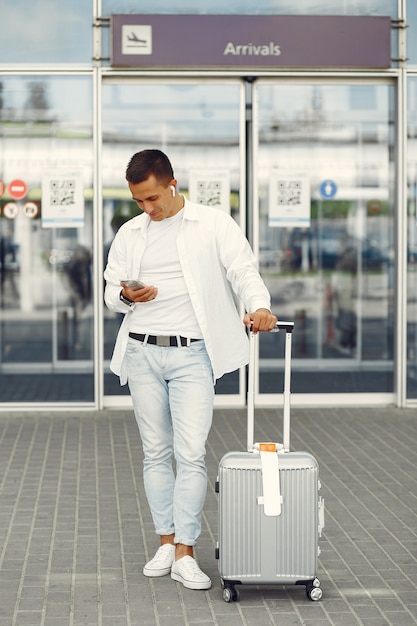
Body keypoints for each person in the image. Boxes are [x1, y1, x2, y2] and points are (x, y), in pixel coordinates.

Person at [104, 149, 277, 591]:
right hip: (142, 352)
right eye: (138, 200)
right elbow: (110, 290)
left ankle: (186, 551)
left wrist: (259, 306)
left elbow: (243, 271)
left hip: (193, 355)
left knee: (191, 453)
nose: (147, 208)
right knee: (155, 452)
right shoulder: (131, 232)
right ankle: (165, 542)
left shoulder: (213, 224)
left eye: (153, 198)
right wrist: (127, 298)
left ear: (172, 183)